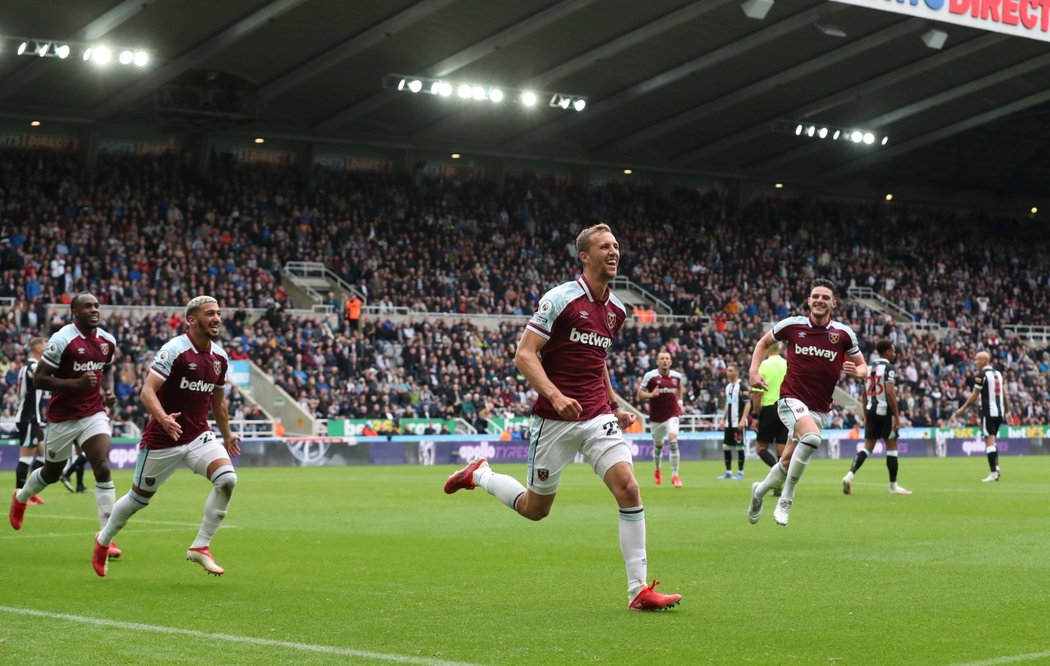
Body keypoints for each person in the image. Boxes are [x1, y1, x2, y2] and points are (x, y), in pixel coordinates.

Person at [444, 223, 681, 611]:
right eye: (604, 246)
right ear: (585, 256)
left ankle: (639, 590)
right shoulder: (560, 299)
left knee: (629, 489)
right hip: (553, 419)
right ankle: (480, 474)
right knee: (535, 510)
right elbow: (524, 354)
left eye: (617, 245)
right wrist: (554, 395)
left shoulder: (617, 309)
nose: (614, 251)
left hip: (596, 416)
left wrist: (614, 405)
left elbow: (597, 360)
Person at [93, 296, 240, 577]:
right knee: (138, 499)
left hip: (198, 435)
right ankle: (103, 540)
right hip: (163, 439)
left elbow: (218, 402)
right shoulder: (174, 350)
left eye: (219, 313)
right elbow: (147, 391)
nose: (217, 318)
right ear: (192, 319)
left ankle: (201, 546)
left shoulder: (219, 357)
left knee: (227, 480)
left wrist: (228, 434)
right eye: (210, 313)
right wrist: (163, 419)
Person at [10, 293, 122, 562]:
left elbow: (107, 371)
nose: (94, 310)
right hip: (61, 417)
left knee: (102, 465)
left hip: (93, 413)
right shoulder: (62, 340)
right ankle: (22, 496)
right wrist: (76, 385)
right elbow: (40, 380)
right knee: (50, 473)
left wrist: (107, 392)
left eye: (97, 305)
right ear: (74, 312)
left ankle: (106, 538)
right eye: (88, 306)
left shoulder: (107, 341)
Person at [747, 279, 866, 527]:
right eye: (816, 296)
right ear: (809, 300)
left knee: (787, 461)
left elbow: (863, 366)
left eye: (825, 297)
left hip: (820, 408)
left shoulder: (843, 334)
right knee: (812, 439)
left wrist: (858, 372)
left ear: (833, 303)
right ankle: (787, 499)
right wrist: (753, 371)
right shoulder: (792, 326)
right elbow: (762, 343)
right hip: (790, 399)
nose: (820, 300)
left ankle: (758, 492)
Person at [842, 340, 911, 495]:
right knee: (892, 447)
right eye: (893, 351)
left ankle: (849, 475)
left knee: (867, 447)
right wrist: (896, 416)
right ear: (886, 351)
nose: (894, 353)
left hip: (871, 411)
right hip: (885, 412)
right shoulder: (889, 368)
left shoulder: (867, 367)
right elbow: (890, 391)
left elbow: (864, 394)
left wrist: (866, 415)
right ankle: (893, 486)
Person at [952, 351, 1009, 483]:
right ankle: (997, 467)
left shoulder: (981, 375)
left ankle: (993, 472)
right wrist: (1008, 411)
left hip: (988, 412)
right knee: (993, 442)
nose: (975, 363)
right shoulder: (998, 374)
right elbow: (1005, 394)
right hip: (999, 413)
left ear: (984, 361)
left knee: (989, 442)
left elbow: (974, 395)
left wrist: (962, 409)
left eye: (977, 360)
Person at [635, 350, 685, 488]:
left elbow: (680, 388)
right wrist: (651, 394)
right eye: (662, 358)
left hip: (672, 414)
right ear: (657, 361)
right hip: (656, 418)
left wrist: (680, 403)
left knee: (673, 442)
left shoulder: (676, 376)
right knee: (658, 446)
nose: (664, 361)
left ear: (670, 361)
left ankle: (675, 475)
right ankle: (657, 469)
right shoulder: (650, 376)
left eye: (667, 358)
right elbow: (639, 394)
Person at [14, 337, 47, 506]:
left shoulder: (27, 366)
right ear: (39, 350)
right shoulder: (34, 366)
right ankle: (19, 495)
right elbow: (49, 379)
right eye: (46, 346)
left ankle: (30, 491)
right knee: (25, 459)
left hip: (33, 418)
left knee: (44, 457)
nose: (49, 348)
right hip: (28, 419)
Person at [717, 366, 750, 480]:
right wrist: (723, 418)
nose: (727, 372)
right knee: (726, 446)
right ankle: (728, 471)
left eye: (730, 370)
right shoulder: (728, 387)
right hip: (729, 423)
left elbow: (748, 403)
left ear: (736, 372)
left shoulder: (742, 386)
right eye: (727, 370)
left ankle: (740, 472)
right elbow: (728, 403)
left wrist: (743, 420)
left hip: (738, 422)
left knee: (740, 447)